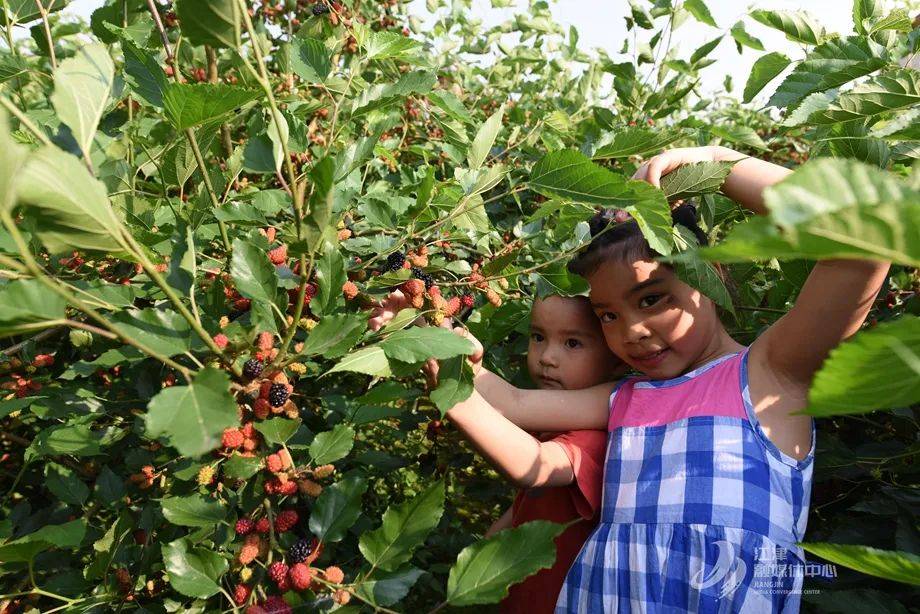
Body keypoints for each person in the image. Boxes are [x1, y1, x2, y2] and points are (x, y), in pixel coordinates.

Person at [446, 145, 890, 612]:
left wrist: (720, 165)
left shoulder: (769, 375)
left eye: (652, 299)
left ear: (710, 272)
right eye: (607, 315)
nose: (631, 331)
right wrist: (436, 336)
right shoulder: (625, 398)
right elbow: (512, 403)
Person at [370, 292, 629, 613]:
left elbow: (531, 466)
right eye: (537, 337)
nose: (547, 356)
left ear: (618, 357)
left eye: (573, 343)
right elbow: (531, 503)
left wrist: (455, 397)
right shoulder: (557, 421)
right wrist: (426, 326)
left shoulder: (602, 438)